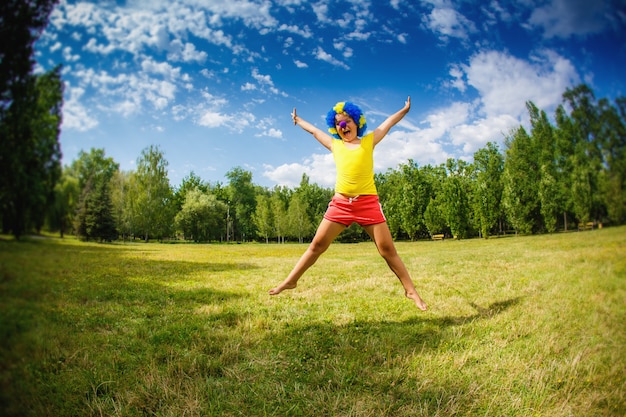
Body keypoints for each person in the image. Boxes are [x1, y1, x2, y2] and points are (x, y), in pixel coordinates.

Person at [269, 97, 428, 311]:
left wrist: (404, 111)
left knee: (387, 249)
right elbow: (315, 132)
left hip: (368, 203)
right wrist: (298, 120)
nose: (343, 126)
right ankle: (290, 280)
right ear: (336, 128)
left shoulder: (368, 141)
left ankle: (411, 291)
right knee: (317, 245)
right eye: (338, 123)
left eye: (347, 121)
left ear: (356, 121)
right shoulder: (336, 145)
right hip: (341, 204)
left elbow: (387, 123)